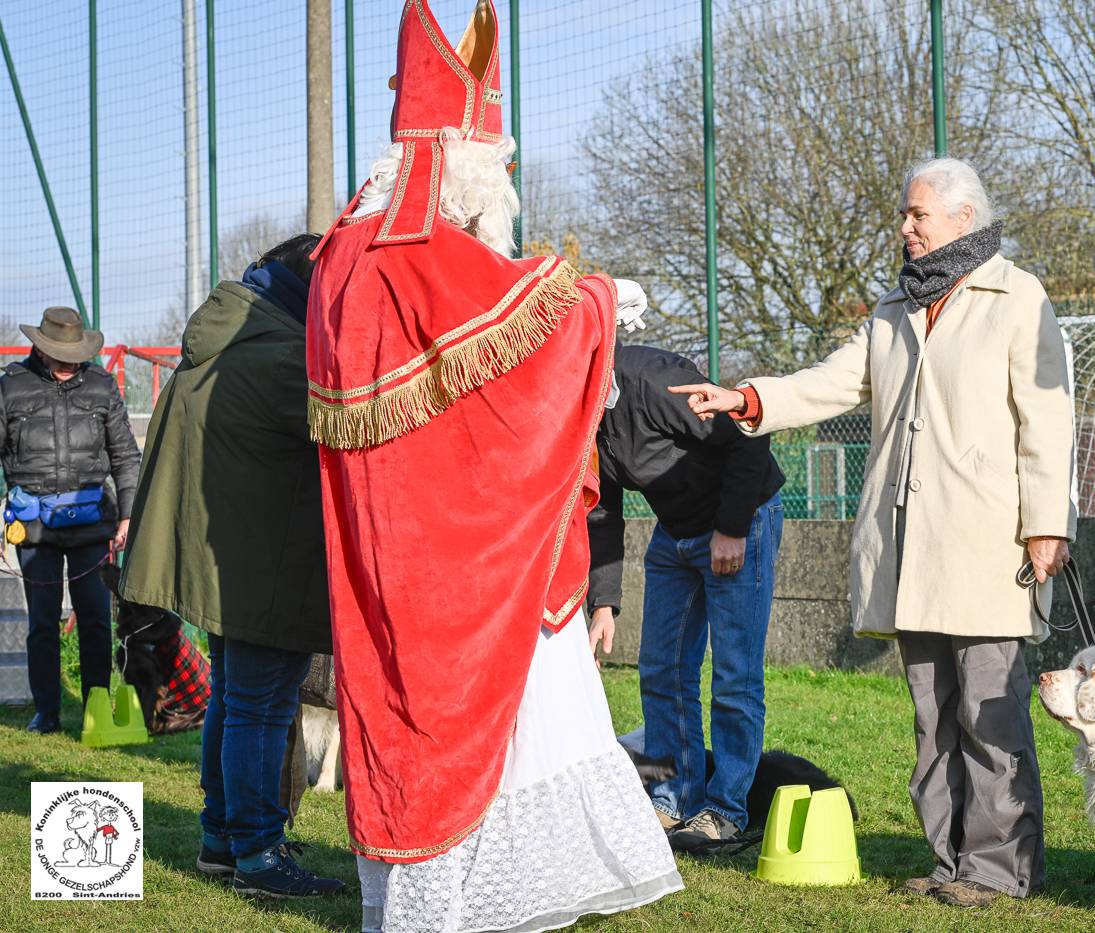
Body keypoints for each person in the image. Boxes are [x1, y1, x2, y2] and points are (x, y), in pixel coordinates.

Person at [305, 2, 680, 930]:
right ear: (464, 171)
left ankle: (432, 893)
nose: (492, 216)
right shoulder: (410, 248)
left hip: (396, 538)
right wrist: (595, 302)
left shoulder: (348, 246)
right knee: (450, 719)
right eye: (491, 190)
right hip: (452, 550)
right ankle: (454, 898)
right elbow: (523, 332)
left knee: (410, 711)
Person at [671, 157, 1077, 907]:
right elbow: (833, 381)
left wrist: (1047, 524)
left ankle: (1002, 867)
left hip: (991, 544)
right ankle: (951, 858)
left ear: (964, 218)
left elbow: (1048, 419)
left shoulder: (1019, 297)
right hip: (912, 553)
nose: (905, 227)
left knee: (990, 712)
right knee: (932, 715)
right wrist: (748, 396)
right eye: (905, 214)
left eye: (918, 214)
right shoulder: (895, 305)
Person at [119, 233, 346, 898]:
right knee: (260, 704)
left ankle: (224, 838)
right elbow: (350, 422)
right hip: (260, 563)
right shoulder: (280, 355)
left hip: (231, 557)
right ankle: (257, 852)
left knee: (238, 696)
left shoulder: (235, 334)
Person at [588, 342, 786, 850]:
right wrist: (604, 602)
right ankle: (670, 799)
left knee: (734, 675)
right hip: (674, 533)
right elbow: (601, 510)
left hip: (740, 520)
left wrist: (731, 529)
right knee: (660, 669)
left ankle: (725, 810)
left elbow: (747, 433)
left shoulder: (652, 380)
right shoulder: (579, 413)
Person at [0, 306, 141, 734]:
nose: (68, 361)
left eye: (74, 353)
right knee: (42, 622)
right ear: (41, 349)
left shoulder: (102, 387)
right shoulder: (10, 388)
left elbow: (125, 456)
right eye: (60, 352)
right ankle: (47, 713)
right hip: (34, 528)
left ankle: (96, 710)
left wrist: (129, 516)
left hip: (92, 525)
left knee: (95, 619)